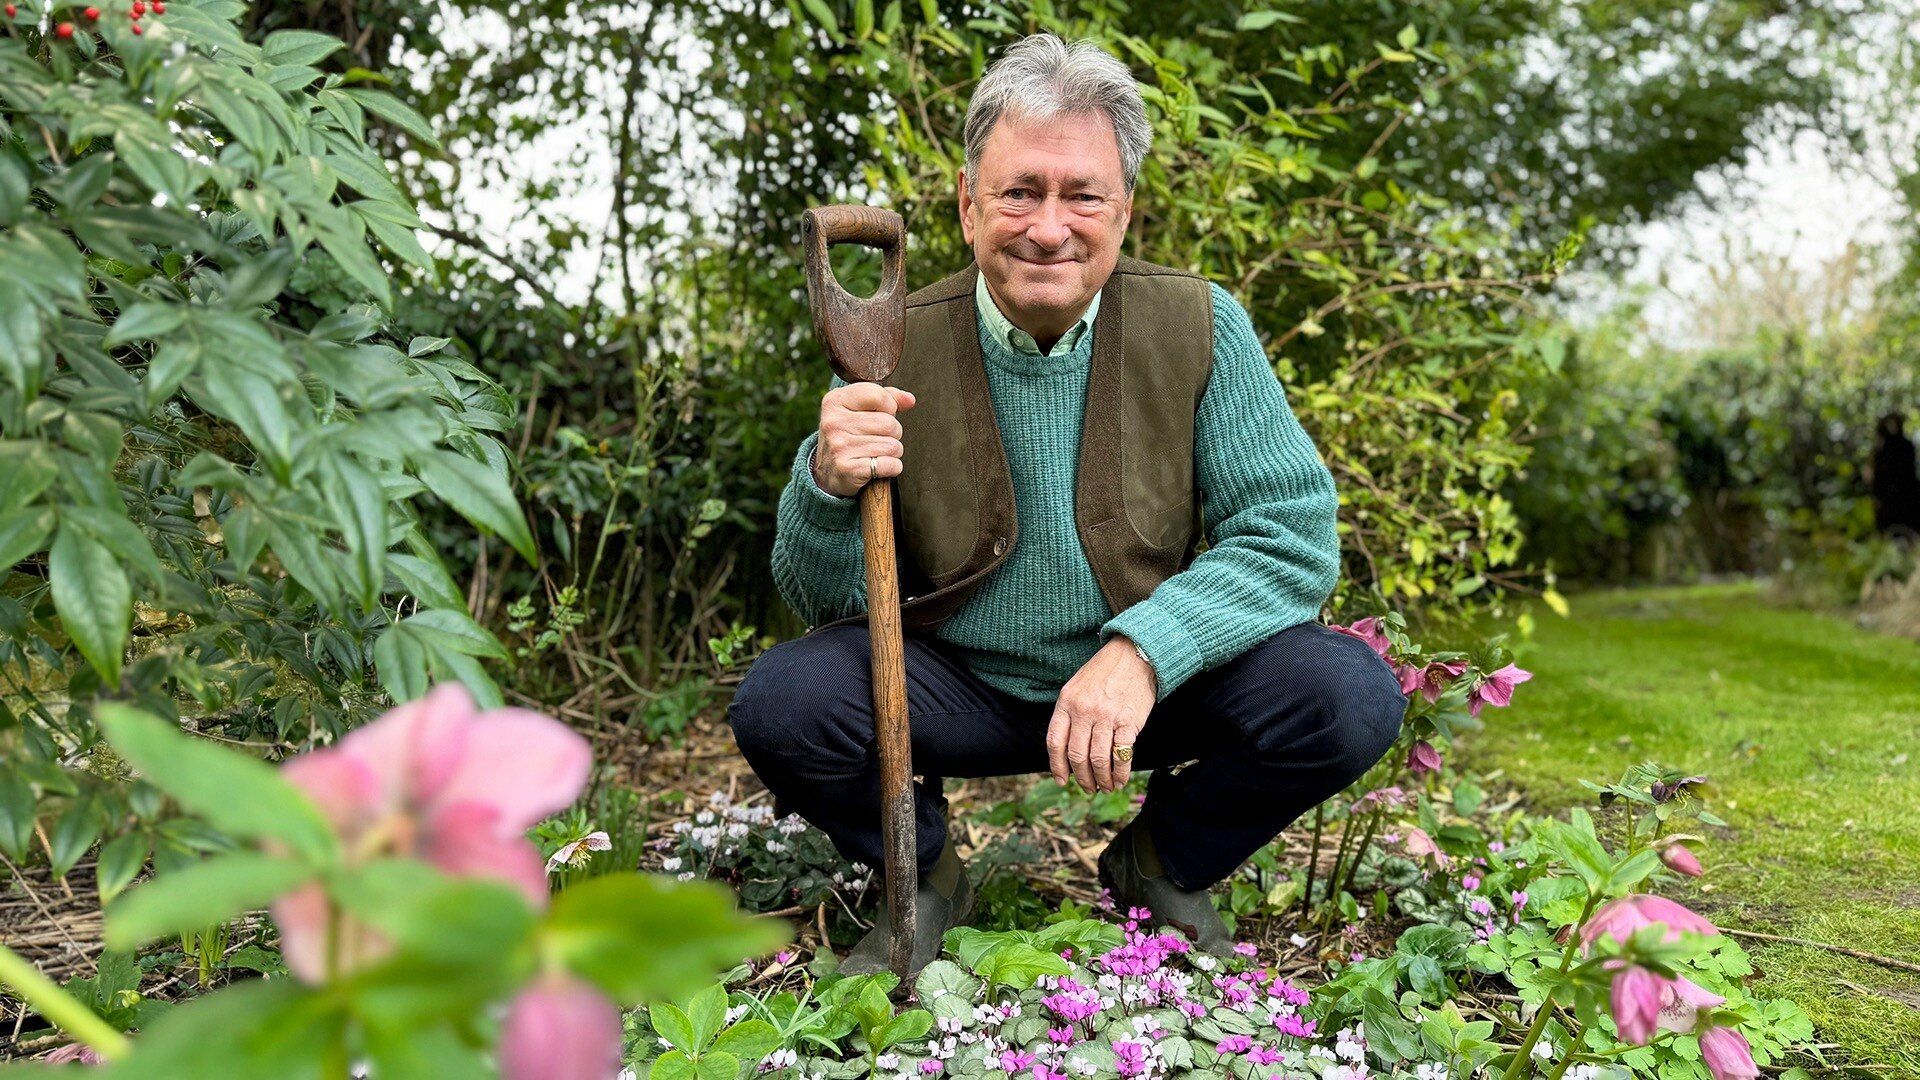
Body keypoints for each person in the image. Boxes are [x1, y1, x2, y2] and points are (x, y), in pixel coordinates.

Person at [728, 32, 1406, 976]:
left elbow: (1288, 537)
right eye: (1019, 192)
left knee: (1348, 693)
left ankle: (1162, 864)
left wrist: (1145, 650)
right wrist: (827, 487)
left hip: (1146, 690)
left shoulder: (1200, 326)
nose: (1050, 227)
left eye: (1082, 194)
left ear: (1124, 211)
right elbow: (826, 601)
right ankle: (923, 876)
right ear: (968, 206)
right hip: (954, 687)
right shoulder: (891, 343)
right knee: (783, 702)